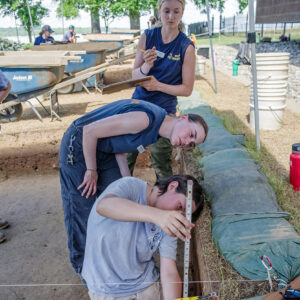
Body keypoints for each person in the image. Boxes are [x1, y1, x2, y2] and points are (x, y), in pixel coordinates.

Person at [59, 98, 208, 275]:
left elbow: (120, 148)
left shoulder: (156, 133)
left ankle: (114, 256)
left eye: (192, 144)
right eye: (191, 134)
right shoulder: (145, 119)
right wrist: (91, 169)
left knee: (120, 203)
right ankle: (83, 268)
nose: (187, 142)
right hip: (79, 143)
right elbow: (89, 131)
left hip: (105, 151)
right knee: (82, 207)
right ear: (183, 117)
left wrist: (128, 182)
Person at [82, 174, 204, 300]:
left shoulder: (170, 223)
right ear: (172, 186)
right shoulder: (132, 186)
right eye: (179, 206)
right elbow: (103, 206)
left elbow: (169, 272)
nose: (176, 215)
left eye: (182, 215)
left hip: (145, 284)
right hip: (107, 290)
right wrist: (157, 216)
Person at [128, 0, 196, 179]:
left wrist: (157, 86)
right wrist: (146, 66)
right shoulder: (148, 36)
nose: (171, 17)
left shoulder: (186, 47)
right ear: (159, 11)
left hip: (164, 111)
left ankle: (164, 198)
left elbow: (187, 89)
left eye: (176, 11)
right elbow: (135, 77)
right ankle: (118, 198)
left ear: (182, 12)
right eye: (166, 11)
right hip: (139, 104)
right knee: (127, 153)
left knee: (160, 159)